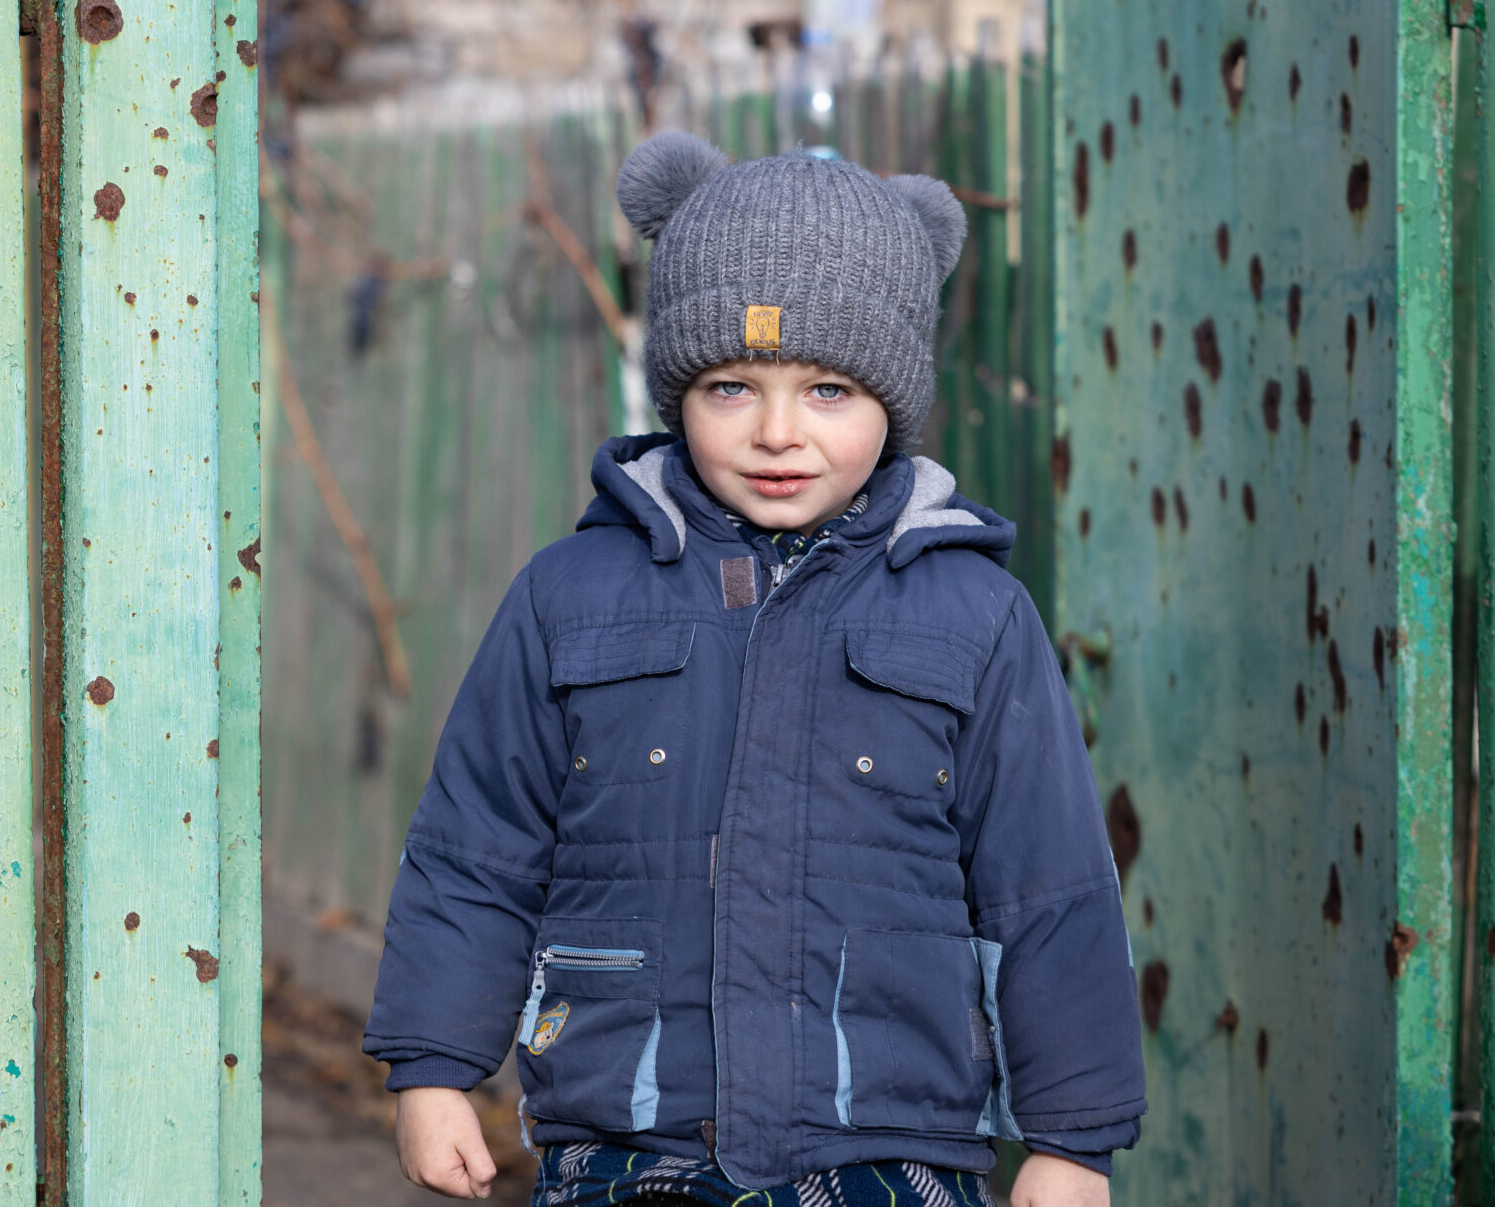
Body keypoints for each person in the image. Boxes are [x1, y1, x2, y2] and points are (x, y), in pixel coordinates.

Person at [363, 135, 1145, 1207]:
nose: (778, 433)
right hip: (629, 1145)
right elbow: (475, 847)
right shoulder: (570, 595)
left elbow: (1048, 887)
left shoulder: (974, 617)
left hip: (887, 1149)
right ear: (676, 390)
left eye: (828, 390)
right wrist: (435, 1067)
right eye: (731, 386)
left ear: (893, 400)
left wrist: (1070, 1140)